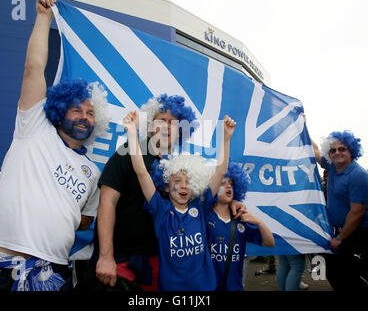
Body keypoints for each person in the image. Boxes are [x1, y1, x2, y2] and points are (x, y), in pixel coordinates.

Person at [0, 0, 109, 291]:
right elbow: (34, 68)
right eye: (77, 109)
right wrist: (43, 19)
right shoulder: (34, 127)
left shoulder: (92, 172)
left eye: (91, 113)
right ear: (59, 111)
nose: (84, 117)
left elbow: (84, 221)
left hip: (53, 274)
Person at [123, 110, 236, 290]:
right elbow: (141, 171)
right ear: (166, 186)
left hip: (204, 288)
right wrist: (131, 131)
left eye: (188, 181)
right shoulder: (160, 208)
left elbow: (221, 171)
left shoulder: (200, 205)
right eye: (177, 181)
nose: (183, 186)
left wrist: (226, 138)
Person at [95, 94, 199, 290]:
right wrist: (106, 256)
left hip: (162, 264)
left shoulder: (180, 168)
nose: (167, 127)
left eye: (174, 123)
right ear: (150, 126)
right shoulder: (127, 153)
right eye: (162, 121)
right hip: (121, 261)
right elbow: (106, 203)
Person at [312, 130, 368, 292]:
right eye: (333, 150)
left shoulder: (358, 175)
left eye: (342, 149)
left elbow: (357, 213)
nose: (337, 153)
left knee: (361, 276)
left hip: (358, 233)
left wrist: (340, 238)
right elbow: (314, 152)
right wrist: (302, 124)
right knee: (335, 273)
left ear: (351, 151)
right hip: (339, 232)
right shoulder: (333, 166)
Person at [207, 161, 275, 291]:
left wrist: (259, 223)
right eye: (223, 183)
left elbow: (270, 242)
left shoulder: (240, 218)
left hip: (235, 287)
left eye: (231, 184)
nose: (228, 187)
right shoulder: (204, 216)